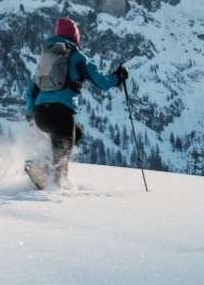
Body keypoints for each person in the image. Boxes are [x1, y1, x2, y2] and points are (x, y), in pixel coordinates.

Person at [24, 16, 127, 186]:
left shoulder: (46, 58)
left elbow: (30, 90)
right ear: (75, 36)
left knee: (76, 133)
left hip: (40, 114)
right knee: (62, 153)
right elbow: (102, 82)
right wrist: (118, 77)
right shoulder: (78, 57)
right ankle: (52, 184)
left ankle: (43, 168)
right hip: (62, 115)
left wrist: (30, 114)